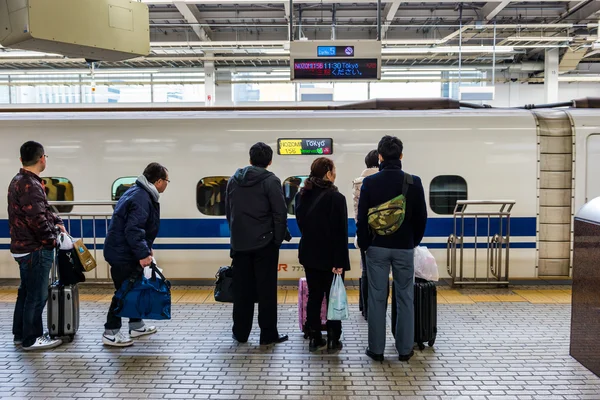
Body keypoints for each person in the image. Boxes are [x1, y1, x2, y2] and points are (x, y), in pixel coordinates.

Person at [357, 135, 427, 362]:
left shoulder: (370, 183)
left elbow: (361, 219)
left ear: (379, 157)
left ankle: (376, 350)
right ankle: (404, 350)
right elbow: (421, 218)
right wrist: (412, 242)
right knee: (405, 297)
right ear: (401, 156)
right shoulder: (414, 182)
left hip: (376, 248)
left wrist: (367, 244)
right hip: (404, 248)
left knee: (377, 299)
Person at [225, 142, 290, 345]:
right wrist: (277, 240)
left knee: (242, 291)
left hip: (240, 244)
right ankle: (268, 334)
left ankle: (240, 333)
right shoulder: (271, 181)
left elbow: (230, 212)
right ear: (269, 161)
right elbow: (280, 214)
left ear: (250, 159)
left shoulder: (233, 181)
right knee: (266, 291)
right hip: (265, 244)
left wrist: (236, 235)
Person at [102, 163, 169, 347]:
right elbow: (134, 229)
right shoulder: (141, 197)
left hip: (124, 251)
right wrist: (142, 253)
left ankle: (136, 325)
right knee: (123, 292)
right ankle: (110, 332)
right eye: (167, 181)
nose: (167, 184)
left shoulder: (138, 192)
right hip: (124, 254)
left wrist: (146, 248)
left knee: (133, 289)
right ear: (158, 181)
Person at [8, 141, 65, 351]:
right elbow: (37, 219)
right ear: (42, 158)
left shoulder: (19, 180)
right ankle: (32, 339)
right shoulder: (30, 185)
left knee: (26, 292)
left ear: (22, 159)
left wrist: (57, 221)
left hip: (23, 247)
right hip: (35, 249)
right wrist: (51, 240)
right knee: (37, 296)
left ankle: (20, 334)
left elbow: (44, 211)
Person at [295, 157, 350, 353]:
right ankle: (334, 339)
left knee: (314, 297)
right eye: (334, 170)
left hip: (310, 254)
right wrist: (340, 261)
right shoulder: (337, 198)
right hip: (332, 257)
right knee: (333, 298)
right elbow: (340, 233)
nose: (335, 173)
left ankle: (315, 338)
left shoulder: (301, 196)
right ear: (328, 173)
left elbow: (302, 225)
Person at [352, 150, 379, 319]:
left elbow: (358, 212)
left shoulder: (358, 183)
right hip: (383, 234)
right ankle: (374, 309)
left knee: (365, 271)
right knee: (379, 274)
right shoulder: (382, 180)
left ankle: (365, 307)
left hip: (364, 233)